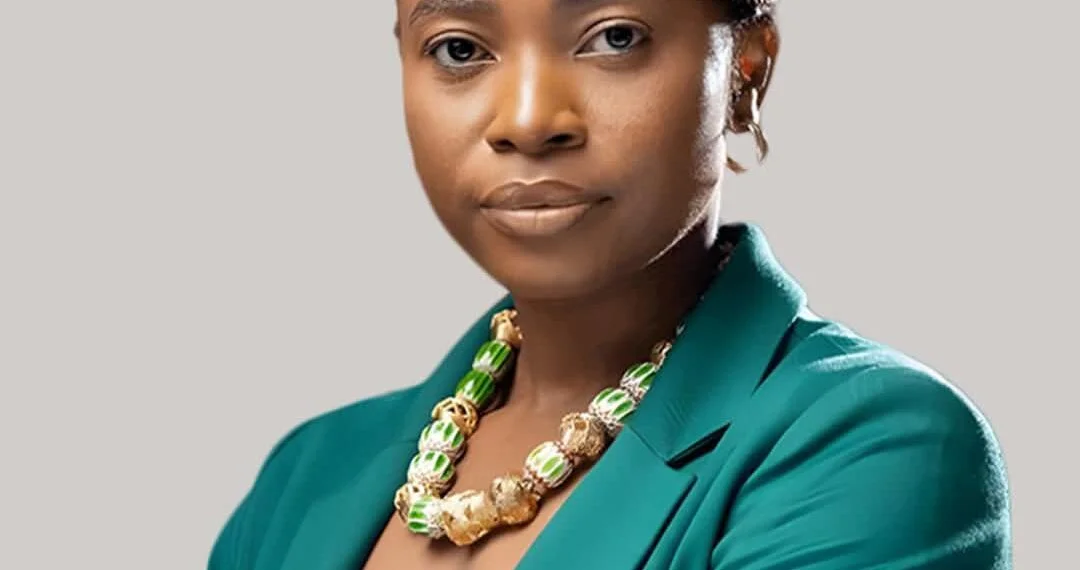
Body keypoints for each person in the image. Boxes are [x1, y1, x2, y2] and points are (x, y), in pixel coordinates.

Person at [208, 0, 1011, 568]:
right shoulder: (306, 475)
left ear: (746, 70)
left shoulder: (874, 449)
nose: (527, 120)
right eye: (458, 49)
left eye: (614, 37)